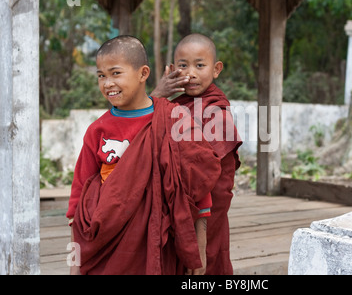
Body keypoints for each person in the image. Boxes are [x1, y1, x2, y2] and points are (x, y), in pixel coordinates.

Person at [66, 35, 221, 275]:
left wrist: (200, 245)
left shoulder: (174, 119)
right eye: (101, 75)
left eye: (116, 73)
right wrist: (75, 261)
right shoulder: (97, 130)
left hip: (159, 234)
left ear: (143, 73)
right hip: (108, 237)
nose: (107, 83)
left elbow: (196, 184)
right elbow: (79, 196)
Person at [152, 33, 242, 275]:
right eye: (183, 65)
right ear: (171, 69)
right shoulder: (171, 105)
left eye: (200, 65)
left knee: (206, 263)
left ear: (216, 69)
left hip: (206, 212)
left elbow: (210, 177)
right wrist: (158, 94)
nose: (190, 73)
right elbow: (139, 131)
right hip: (176, 205)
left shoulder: (216, 112)